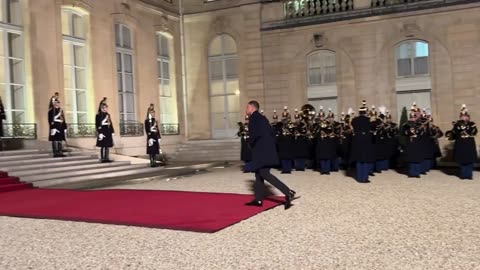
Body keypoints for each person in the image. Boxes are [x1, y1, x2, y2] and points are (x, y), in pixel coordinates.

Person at [244, 100, 296, 210]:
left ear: (252, 108)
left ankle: (288, 192)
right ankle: (258, 199)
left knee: (264, 173)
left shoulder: (253, 118)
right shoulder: (263, 118)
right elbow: (272, 133)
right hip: (267, 150)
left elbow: (254, 135)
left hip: (261, 151)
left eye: (247, 107)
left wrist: (250, 144)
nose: (246, 109)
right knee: (259, 174)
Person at [446, 104, 478, 180]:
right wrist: (457, 127)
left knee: (470, 160)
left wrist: (468, 128)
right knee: (462, 160)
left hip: (469, 143)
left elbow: (475, 132)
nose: (463, 117)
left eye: (465, 116)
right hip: (461, 143)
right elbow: (453, 133)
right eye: (462, 116)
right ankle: (464, 175)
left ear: (468, 117)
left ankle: (469, 175)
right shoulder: (457, 125)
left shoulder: (472, 124)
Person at [350, 100, 375, 183]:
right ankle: (364, 178)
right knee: (365, 161)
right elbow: (374, 126)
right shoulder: (369, 120)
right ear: (366, 112)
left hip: (357, 141)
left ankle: (359, 178)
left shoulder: (355, 120)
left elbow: (351, 124)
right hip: (366, 142)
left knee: (359, 161)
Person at [402, 104, 423, 178]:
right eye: (412, 117)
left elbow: (422, 134)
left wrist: (419, 130)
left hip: (417, 142)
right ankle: (411, 173)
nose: (413, 119)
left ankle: (417, 173)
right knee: (411, 158)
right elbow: (404, 133)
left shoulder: (419, 124)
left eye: (414, 117)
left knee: (417, 158)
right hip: (410, 142)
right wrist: (409, 131)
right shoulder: (406, 125)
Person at [95, 97, 115, 163]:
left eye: (107, 107)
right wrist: (99, 132)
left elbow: (110, 123)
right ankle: (103, 158)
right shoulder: (98, 115)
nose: (106, 109)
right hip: (102, 132)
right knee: (103, 146)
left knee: (107, 146)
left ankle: (107, 157)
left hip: (108, 131)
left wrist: (112, 131)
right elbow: (98, 125)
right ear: (102, 108)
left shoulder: (108, 115)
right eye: (105, 108)